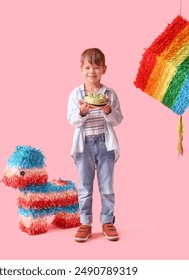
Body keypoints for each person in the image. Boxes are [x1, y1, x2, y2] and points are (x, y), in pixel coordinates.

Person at [67, 48, 123, 242]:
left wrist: (108, 109)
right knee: (84, 187)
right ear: (81, 69)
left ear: (104, 69)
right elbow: (72, 120)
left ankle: (107, 221)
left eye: (96, 67)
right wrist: (82, 112)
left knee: (107, 187)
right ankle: (85, 222)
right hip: (84, 146)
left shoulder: (109, 94)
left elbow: (118, 119)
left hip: (105, 144)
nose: (92, 71)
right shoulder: (76, 94)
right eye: (88, 67)